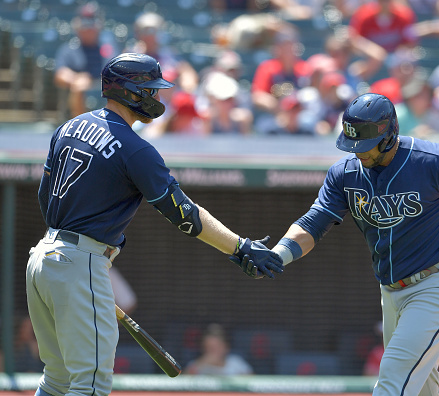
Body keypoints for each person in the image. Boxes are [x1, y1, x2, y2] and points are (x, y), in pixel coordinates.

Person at [243, 92, 439, 395]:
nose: (359, 152)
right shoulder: (344, 174)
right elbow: (313, 224)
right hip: (391, 293)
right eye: (353, 144)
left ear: (389, 134)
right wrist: (279, 254)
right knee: (421, 388)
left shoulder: (436, 161)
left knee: (392, 381)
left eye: (367, 144)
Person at [27, 53, 283, 396]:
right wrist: (239, 245)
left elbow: (46, 198)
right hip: (78, 265)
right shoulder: (135, 149)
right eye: (151, 89)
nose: (158, 97)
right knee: (90, 385)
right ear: (131, 92)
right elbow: (185, 215)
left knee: (57, 380)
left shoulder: (68, 127)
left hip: (43, 258)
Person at [53, 2, 118, 118]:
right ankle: (82, 126)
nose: (88, 27)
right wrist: (76, 78)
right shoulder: (69, 49)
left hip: (106, 90)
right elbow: (60, 76)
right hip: (81, 92)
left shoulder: (108, 48)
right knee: (79, 87)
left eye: (92, 22)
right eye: (85, 22)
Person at [184, 323, 253, 375]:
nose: (212, 351)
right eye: (208, 347)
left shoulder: (236, 363)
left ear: (225, 348)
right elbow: (183, 382)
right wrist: (201, 364)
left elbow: (253, 382)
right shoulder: (197, 365)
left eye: (215, 347)